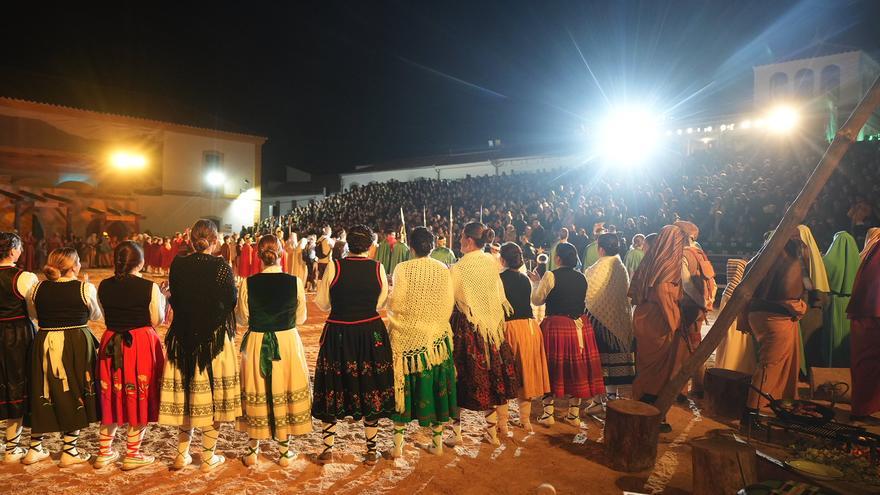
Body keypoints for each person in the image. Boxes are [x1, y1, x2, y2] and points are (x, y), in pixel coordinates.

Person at [158, 219, 241, 472]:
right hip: (213, 340)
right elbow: (230, 302)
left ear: (190, 240)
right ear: (215, 241)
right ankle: (207, 457)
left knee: (187, 397)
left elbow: (177, 297)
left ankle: (181, 455)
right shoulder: (221, 267)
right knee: (211, 399)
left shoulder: (178, 264)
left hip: (182, 337)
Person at [311, 224, 395, 465]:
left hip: (339, 331)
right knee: (369, 384)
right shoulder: (378, 268)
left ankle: (328, 448)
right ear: (370, 247)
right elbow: (380, 302)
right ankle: (371, 449)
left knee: (333, 384)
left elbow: (323, 303)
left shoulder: (335, 267)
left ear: (349, 245)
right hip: (369, 332)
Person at [236, 234, 311, 467]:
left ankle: (252, 450)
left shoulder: (248, 283)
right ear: (281, 253)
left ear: (259, 255)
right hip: (287, 341)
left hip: (258, 340)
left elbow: (242, 318)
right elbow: (301, 317)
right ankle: (284, 451)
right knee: (283, 388)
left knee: (257, 389)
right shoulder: (295, 282)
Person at [26, 247, 102, 466]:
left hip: (45, 339)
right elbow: (96, 315)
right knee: (74, 388)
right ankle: (70, 450)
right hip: (75, 341)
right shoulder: (84, 288)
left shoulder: (36, 288)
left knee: (43, 388)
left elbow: (34, 315)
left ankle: (34, 447)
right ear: (74, 265)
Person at [95, 241, 166, 470]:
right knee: (139, 395)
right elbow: (157, 320)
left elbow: (106, 314)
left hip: (111, 342)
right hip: (139, 343)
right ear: (141, 262)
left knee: (112, 396)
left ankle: (104, 452)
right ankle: (132, 453)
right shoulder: (149, 287)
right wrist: (162, 297)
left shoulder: (103, 285)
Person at [387, 227, 457, 457]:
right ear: (432, 246)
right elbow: (449, 304)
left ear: (411, 247)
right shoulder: (443, 269)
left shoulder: (403, 269)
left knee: (403, 391)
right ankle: (437, 444)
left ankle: (398, 447)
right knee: (437, 391)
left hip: (406, 338)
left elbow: (396, 303)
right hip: (436, 339)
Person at [448, 222, 519, 446]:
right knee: (489, 376)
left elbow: (451, 298)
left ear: (469, 240)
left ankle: (456, 433)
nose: (459, 240)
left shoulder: (458, 268)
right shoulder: (491, 262)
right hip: (490, 329)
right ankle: (491, 432)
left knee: (457, 377)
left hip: (466, 328)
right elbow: (498, 295)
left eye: (461, 237)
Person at [531, 242, 604, 427]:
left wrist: (536, 282)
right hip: (579, 325)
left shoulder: (550, 275)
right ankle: (573, 415)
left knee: (551, 367)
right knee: (576, 369)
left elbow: (537, 300)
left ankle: (548, 413)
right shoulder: (582, 277)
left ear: (558, 258)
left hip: (556, 325)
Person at [628, 225, 692, 431]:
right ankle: (648, 415)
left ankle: (642, 410)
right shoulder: (667, 263)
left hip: (645, 317)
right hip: (658, 322)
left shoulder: (652, 258)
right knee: (657, 371)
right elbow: (664, 291)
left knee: (646, 368)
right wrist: (675, 323)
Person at [740, 233, 810, 422]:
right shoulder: (790, 263)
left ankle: (774, 403)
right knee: (769, 366)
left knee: (772, 363)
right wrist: (801, 306)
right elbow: (789, 295)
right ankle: (751, 414)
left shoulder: (758, 260)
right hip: (777, 319)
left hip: (757, 315)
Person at [499, 242, 550, 432]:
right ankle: (525, 420)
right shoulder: (524, 279)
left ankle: (502, 424)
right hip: (529, 328)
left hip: (509, 328)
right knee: (526, 375)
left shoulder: (498, 279)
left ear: (502, 259)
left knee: (504, 375)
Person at [0, 233, 39, 463]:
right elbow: (34, 311)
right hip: (17, 334)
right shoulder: (23, 277)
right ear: (13, 250)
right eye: (20, 248)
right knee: (17, 384)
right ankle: (12, 447)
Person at [584, 233, 635, 396]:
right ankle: (611, 397)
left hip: (598, 320)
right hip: (618, 319)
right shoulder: (620, 265)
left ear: (601, 249)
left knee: (601, 362)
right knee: (614, 358)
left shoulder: (596, 268)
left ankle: (600, 400)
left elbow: (588, 294)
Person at [675, 221, 716, 398]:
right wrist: (706, 302)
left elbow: (687, 285)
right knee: (695, 343)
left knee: (683, 348)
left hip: (688, 307)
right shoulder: (700, 253)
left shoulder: (682, 255)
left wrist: (699, 302)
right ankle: (698, 385)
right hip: (699, 308)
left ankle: (681, 390)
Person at [847, 228, 880, 421]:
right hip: (872, 315)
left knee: (866, 363)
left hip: (868, 312)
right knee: (868, 364)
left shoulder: (873, 250)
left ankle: (863, 409)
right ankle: (862, 410)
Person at [821, 231, 860, 367]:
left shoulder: (829, 261)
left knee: (834, 335)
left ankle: (833, 365)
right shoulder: (858, 260)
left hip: (836, 301)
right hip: (852, 302)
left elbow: (823, 272)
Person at [796, 225, 830, 374]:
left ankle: (808, 371)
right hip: (798, 301)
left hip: (811, 302)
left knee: (809, 338)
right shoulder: (795, 252)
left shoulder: (810, 254)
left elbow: (812, 281)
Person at [714, 258, 757, 374]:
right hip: (736, 328)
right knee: (736, 350)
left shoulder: (727, 291)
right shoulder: (737, 293)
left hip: (728, 329)